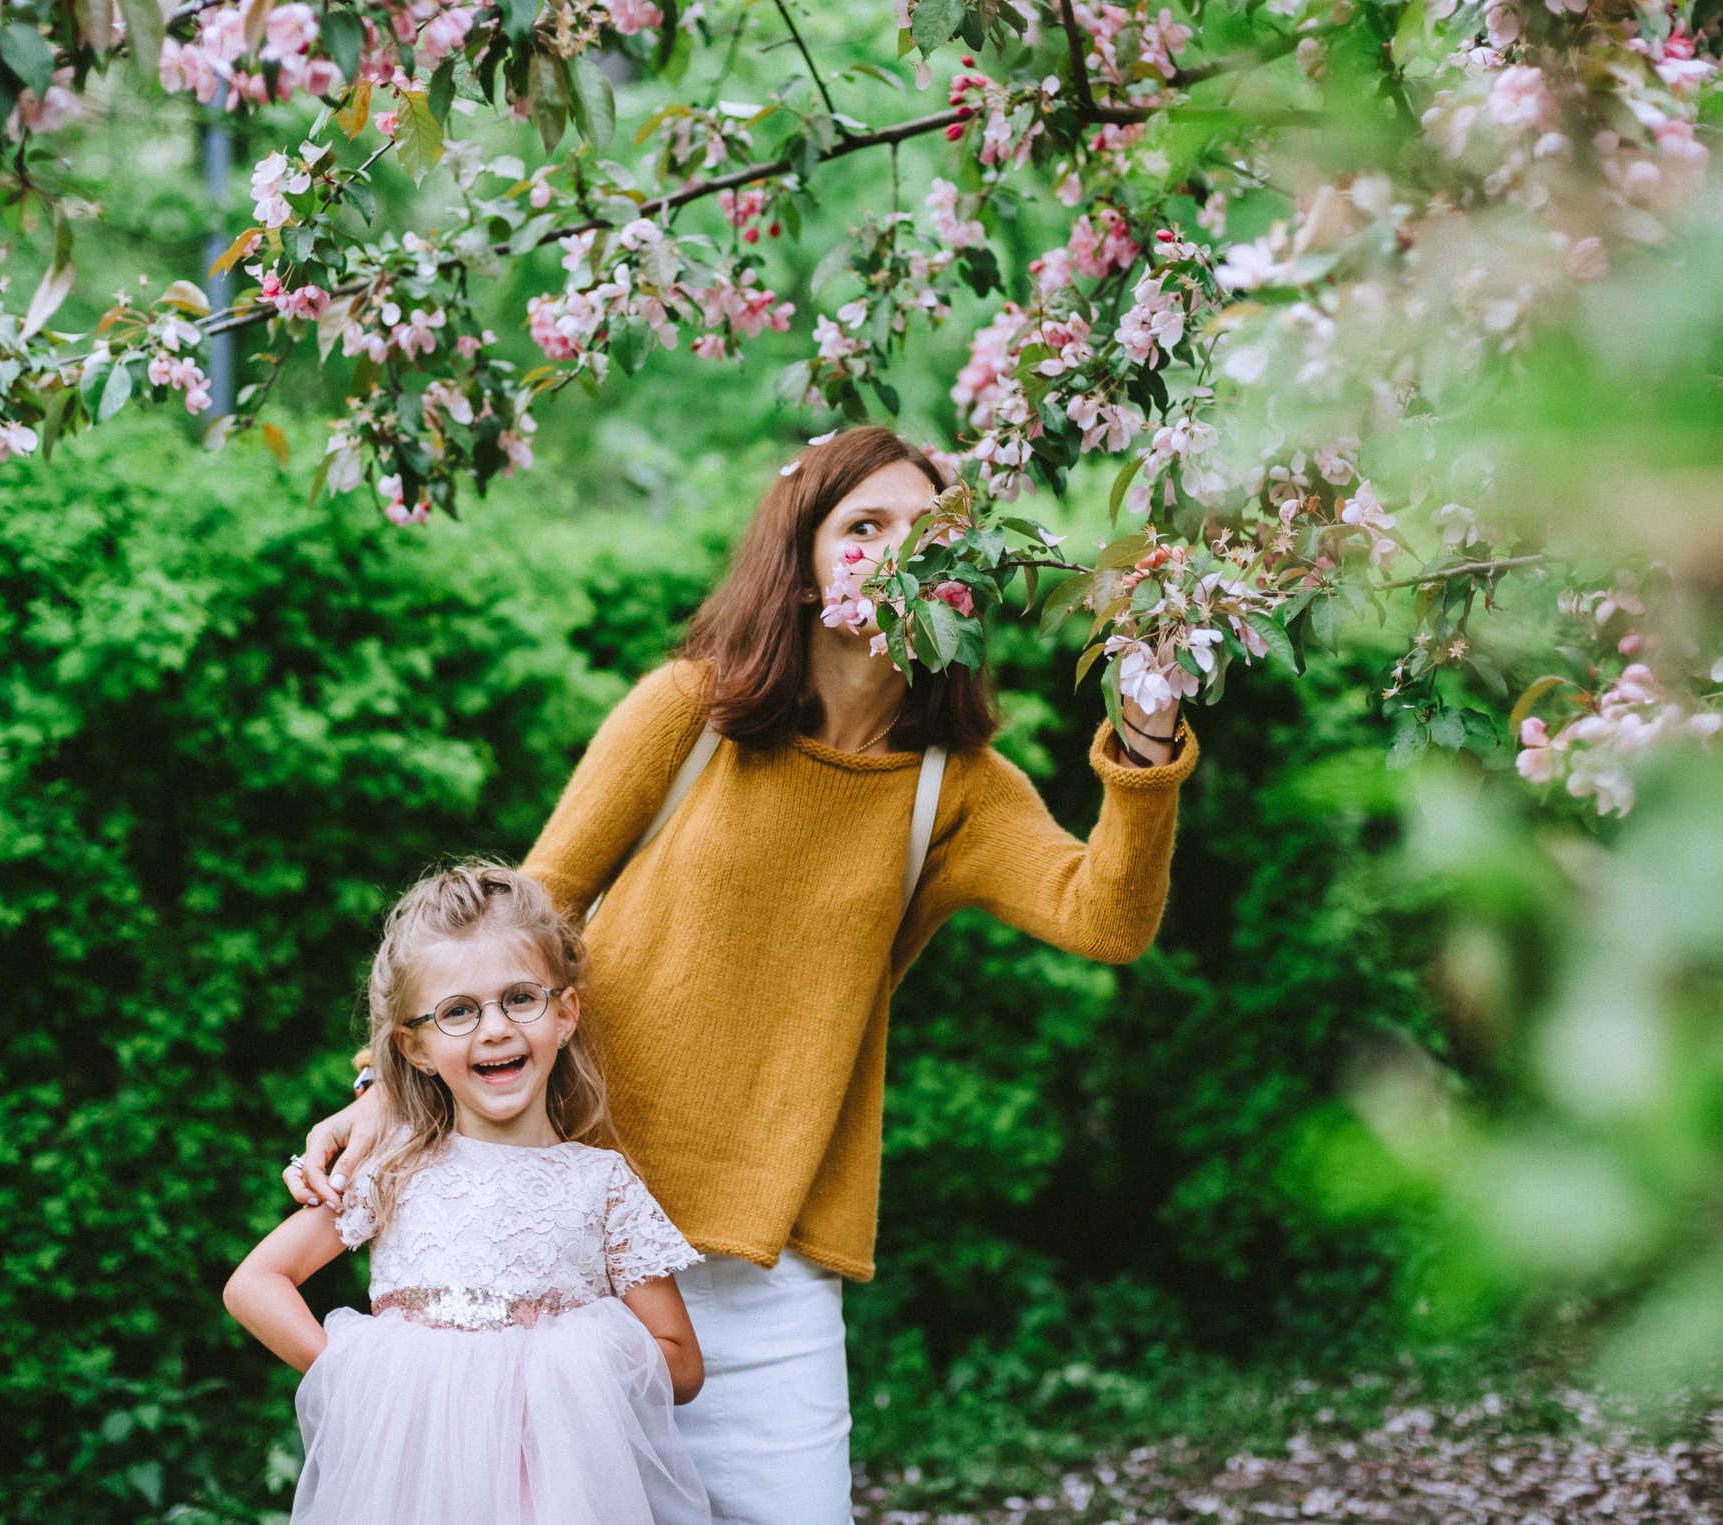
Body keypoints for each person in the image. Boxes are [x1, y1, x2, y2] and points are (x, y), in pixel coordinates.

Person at [288, 427, 1196, 1524]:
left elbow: (1104, 916)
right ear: (802, 564)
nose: (896, 552)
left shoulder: (954, 790)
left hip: (772, 1279)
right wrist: (388, 1093)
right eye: (863, 527)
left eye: (929, 532)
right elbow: (530, 909)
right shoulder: (695, 711)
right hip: (580, 1250)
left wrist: (1146, 743)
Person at [226, 864, 712, 1525]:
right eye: (458, 1011)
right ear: (416, 1047)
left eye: (520, 998)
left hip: (556, 1490)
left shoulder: (602, 1184)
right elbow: (256, 1282)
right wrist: (361, 1374)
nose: (494, 1029)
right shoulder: (394, 1169)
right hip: (413, 1488)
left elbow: (681, 1363)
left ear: (564, 1013)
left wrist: (573, 1359)